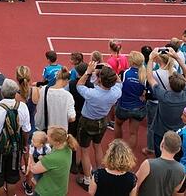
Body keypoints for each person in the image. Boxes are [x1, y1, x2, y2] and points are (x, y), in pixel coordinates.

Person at [75, 63, 122, 191]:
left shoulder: (91, 93)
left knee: (84, 151)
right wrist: (110, 71)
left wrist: (88, 72)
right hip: (102, 121)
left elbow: (79, 85)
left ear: (100, 79)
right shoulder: (116, 92)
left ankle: (86, 179)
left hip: (87, 122)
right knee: (97, 146)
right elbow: (118, 80)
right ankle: (101, 175)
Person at [0, 79, 32, 196]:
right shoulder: (23, 107)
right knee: (11, 177)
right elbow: (26, 130)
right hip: (15, 146)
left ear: (2, 92)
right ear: (15, 93)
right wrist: (24, 144)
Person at [147, 49, 186, 158]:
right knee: (177, 157)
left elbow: (149, 77)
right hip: (180, 132)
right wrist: (177, 58)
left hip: (161, 132)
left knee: (160, 157)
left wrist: (150, 59)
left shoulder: (163, 96)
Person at [29, 126, 79, 196]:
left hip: (47, 191)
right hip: (60, 190)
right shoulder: (67, 147)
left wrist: (30, 155)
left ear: (57, 142)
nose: (46, 137)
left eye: (48, 136)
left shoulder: (50, 159)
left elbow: (33, 169)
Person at [133, 130, 185, 196]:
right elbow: (176, 190)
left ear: (162, 144)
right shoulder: (182, 169)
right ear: (178, 149)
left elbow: (134, 185)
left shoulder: (148, 164)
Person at [34, 65, 75, 131]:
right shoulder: (68, 96)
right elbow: (72, 118)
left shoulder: (43, 90)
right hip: (59, 131)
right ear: (67, 80)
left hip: (43, 128)